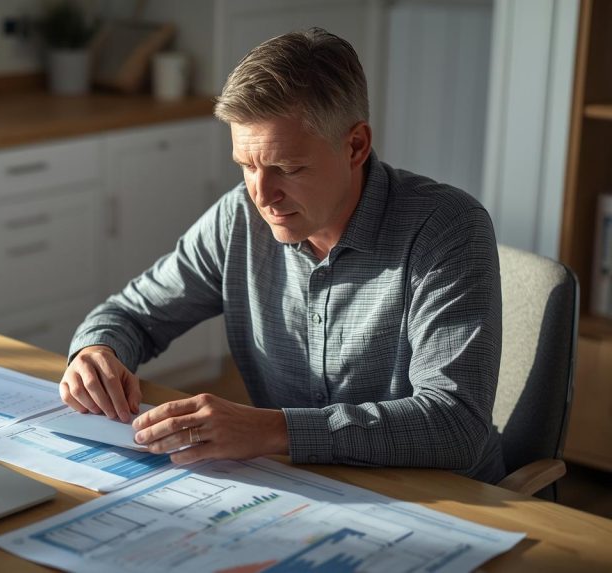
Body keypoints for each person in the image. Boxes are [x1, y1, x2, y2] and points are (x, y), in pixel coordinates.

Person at [59, 27, 505, 484]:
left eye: (287, 169)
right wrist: (97, 350)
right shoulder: (240, 217)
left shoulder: (447, 229)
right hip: (299, 487)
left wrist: (275, 429)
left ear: (355, 146)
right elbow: (132, 313)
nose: (262, 195)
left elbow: (455, 424)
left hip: (446, 499)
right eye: (246, 166)